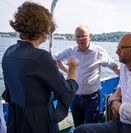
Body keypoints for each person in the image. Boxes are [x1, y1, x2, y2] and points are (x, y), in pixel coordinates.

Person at [1, 2, 78, 133]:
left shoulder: (9, 52)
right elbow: (66, 91)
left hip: (16, 120)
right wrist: (72, 69)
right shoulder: (41, 57)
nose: (47, 35)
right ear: (41, 28)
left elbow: (9, 93)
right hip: (37, 124)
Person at [54, 25, 120, 127]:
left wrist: (126, 78)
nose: (80, 39)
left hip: (92, 99)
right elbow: (56, 60)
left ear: (90, 36)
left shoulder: (99, 52)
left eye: (83, 36)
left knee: (91, 127)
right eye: (77, 36)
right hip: (75, 97)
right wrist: (67, 71)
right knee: (78, 127)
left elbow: (114, 66)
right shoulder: (70, 51)